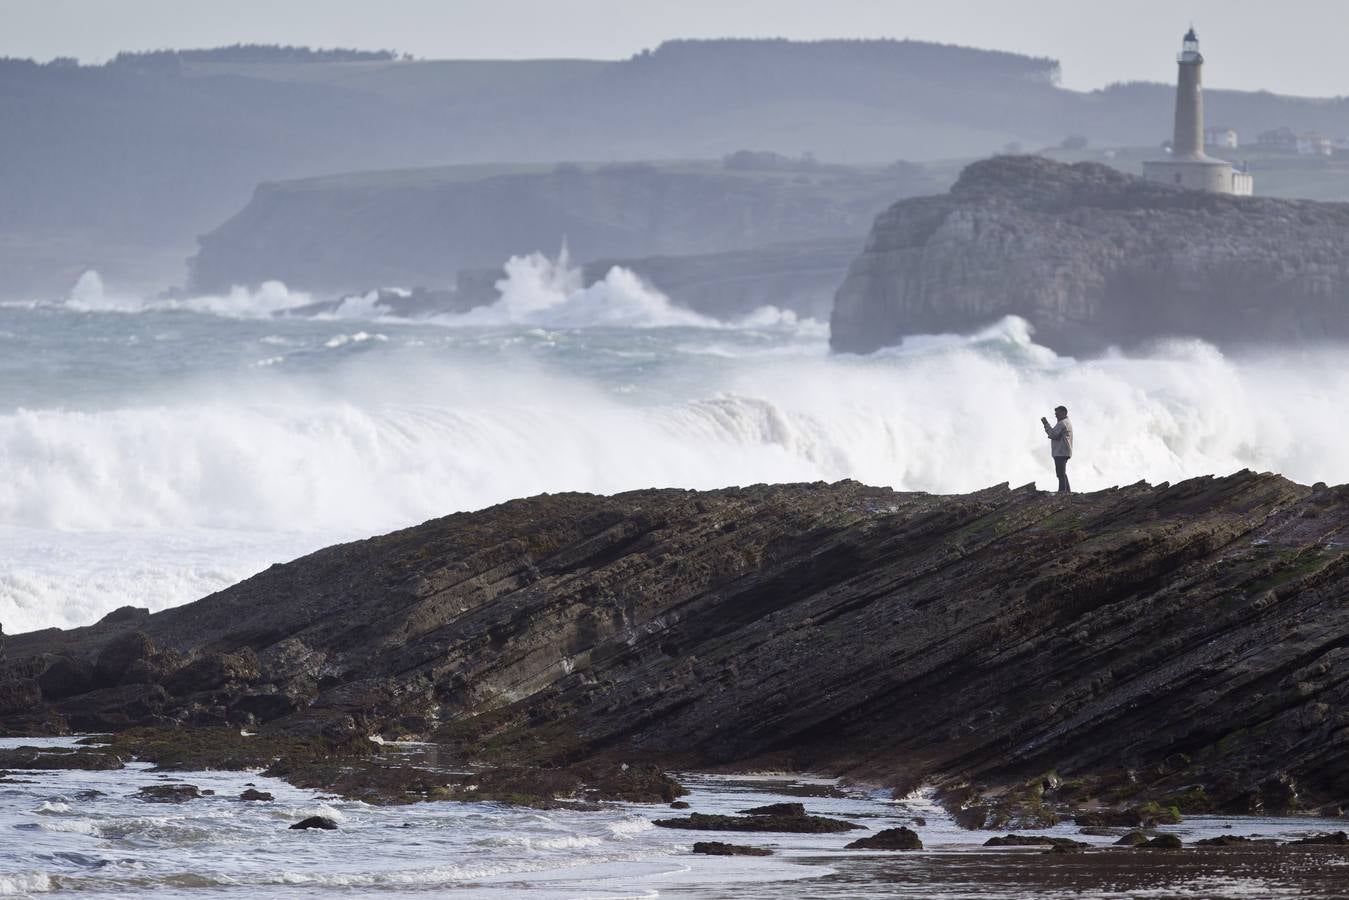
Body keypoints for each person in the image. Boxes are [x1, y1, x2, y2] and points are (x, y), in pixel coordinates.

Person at [1041, 405, 1073, 493]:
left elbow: (1053, 434)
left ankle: (1062, 492)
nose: (1056, 415)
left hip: (1061, 452)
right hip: (1064, 451)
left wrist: (1046, 424)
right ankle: (1067, 491)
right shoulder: (1066, 422)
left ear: (1064, 413)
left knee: (1060, 473)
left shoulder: (1062, 423)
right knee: (1062, 473)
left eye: (1057, 413)